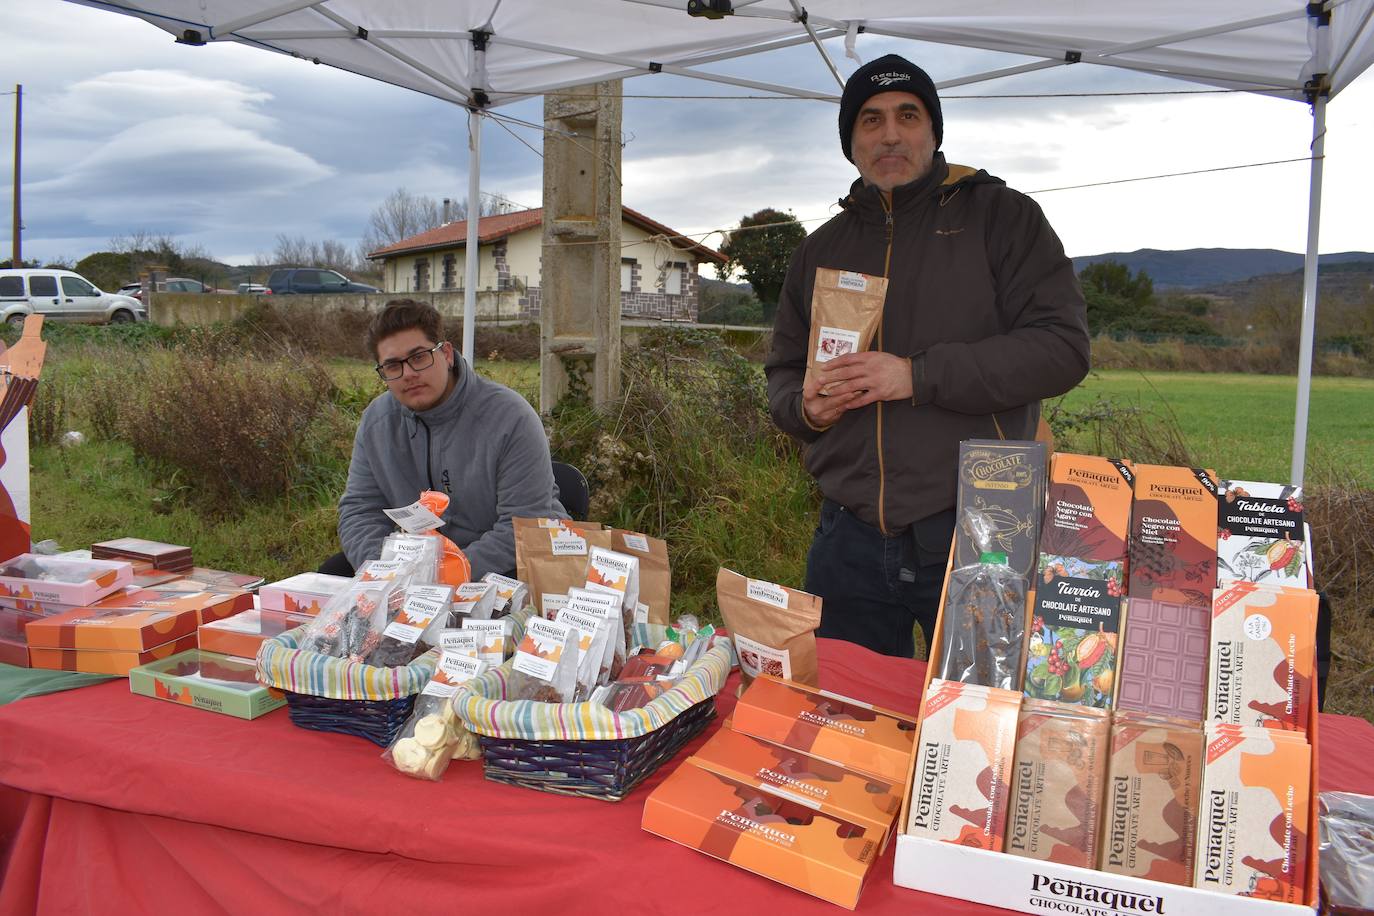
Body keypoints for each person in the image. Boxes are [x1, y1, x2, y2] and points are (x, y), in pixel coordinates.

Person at [765, 54, 1091, 659]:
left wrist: (915, 375)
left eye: (908, 115)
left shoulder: (1003, 218)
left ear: (933, 132)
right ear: (851, 143)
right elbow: (783, 372)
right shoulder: (820, 249)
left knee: (975, 724)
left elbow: (1062, 349)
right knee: (846, 717)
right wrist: (806, 409)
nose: (890, 133)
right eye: (871, 120)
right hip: (849, 535)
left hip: (978, 526)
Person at [323, 299, 567, 580]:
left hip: (503, 563)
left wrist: (440, 576)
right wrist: (385, 571)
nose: (409, 374)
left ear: (447, 354)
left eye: (419, 357)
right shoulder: (376, 422)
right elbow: (360, 510)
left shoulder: (511, 419)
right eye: (392, 366)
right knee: (334, 570)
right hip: (413, 564)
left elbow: (523, 527)